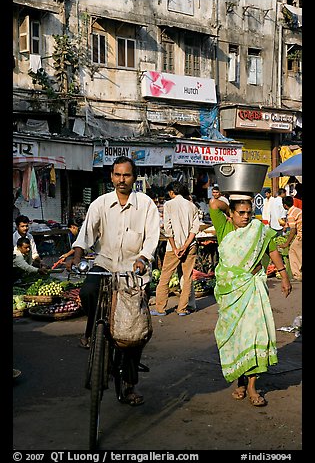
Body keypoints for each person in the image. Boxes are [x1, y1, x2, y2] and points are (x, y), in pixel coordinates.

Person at [67, 156, 160, 406]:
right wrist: (77, 253)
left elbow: (152, 237)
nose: (122, 180)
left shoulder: (146, 205)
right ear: (111, 177)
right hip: (106, 264)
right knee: (87, 292)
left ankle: (129, 385)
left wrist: (144, 257)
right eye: (117, 175)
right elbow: (87, 232)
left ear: (134, 177)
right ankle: (97, 334)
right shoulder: (101, 203)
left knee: (133, 336)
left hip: (134, 272)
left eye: (126, 175)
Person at [209, 194, 292, 407]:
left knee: (255, 335)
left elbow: (272, 251)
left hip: (253, 289)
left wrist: (284, 277)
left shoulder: (259, 231)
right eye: (241, 213)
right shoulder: (224, 229)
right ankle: (240, 382)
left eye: (248, 213)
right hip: (231, 294)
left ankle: (253, 386)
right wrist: (228, 207)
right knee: (237, 337)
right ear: (232, 214)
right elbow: (214, 204)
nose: (246, 217)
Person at [150, 181, 200, 317]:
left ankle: (160, 308)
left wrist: (175, 247)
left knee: (165, 276)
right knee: (187, 277)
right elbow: (195, 229)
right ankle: (182, 309)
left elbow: (168, 228)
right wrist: (185, 246)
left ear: (172, 192)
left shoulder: (169, 205)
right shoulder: (192, 206)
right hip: (190, 246)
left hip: (173, 248)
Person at [278, 195, 302, 281]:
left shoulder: (291, 214)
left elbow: (293, 230)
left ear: (284, 205)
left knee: (292, 250)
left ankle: (297, 275)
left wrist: (287, 243)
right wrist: (285, 225)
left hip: (300, 235)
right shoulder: (297, 210)